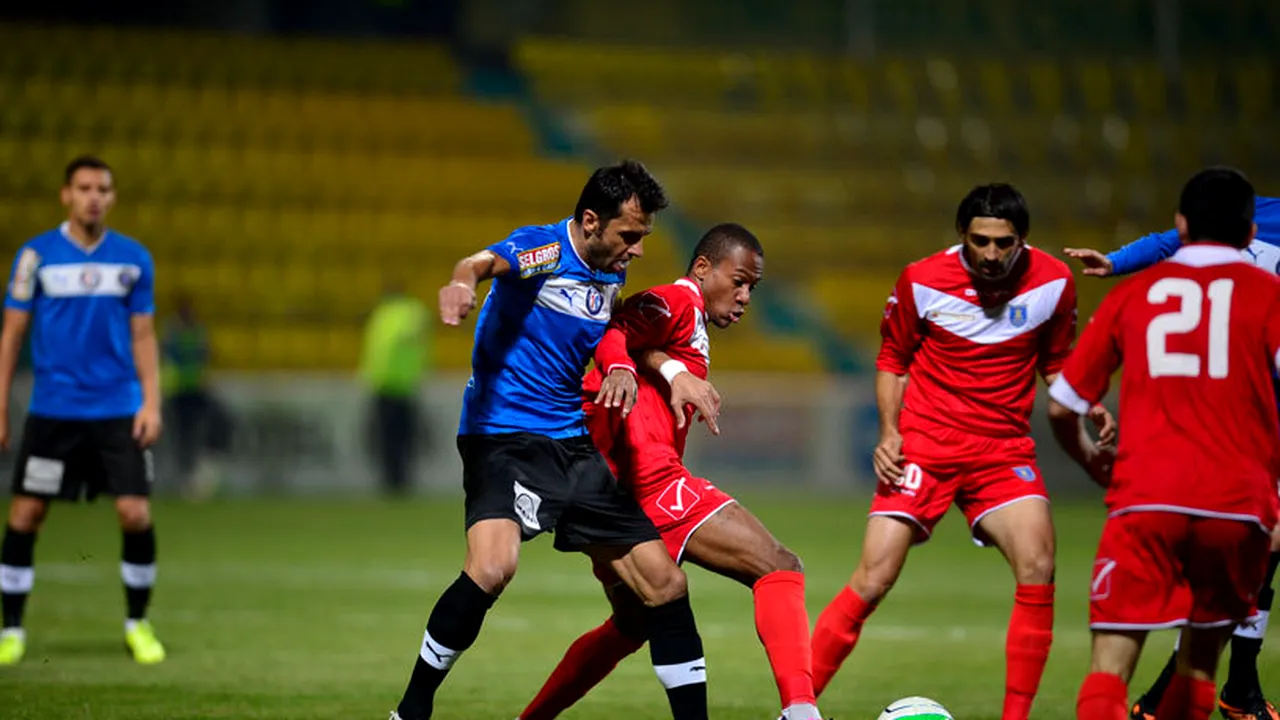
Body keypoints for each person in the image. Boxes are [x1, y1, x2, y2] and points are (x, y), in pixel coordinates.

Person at [392, 160, 710, 720]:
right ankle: (413, 708)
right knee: (493, 568)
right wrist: (461, 286)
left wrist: (621, 367)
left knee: (665, 584)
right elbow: (479, 262)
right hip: (503, 436)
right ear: (590, 220)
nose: (636, 249)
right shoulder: (542, 251)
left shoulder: (610, 269)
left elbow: (608, 327)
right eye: (629, 235)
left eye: (643, 238)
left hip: (571, 443)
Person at [808, 183, 1114, 720]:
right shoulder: (922, 279)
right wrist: (888, 432)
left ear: (1023, 240)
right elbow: (892, 358)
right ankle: (797, 707)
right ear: (961, 237)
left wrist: (1086, 401)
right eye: (980, 241)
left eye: (1005, 243)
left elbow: (1057, 361)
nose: (992, 255)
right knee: (874, 577)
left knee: (1038, 564)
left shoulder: (1056, 283)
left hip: (1002, 449)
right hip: (925, 443)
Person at [517, 223, 825, 720]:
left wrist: (663, 367)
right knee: (779, 566)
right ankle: (800, 711)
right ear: (703, 268)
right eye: (739, 280)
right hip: (647, 478)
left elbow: (630, 333)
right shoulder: (678, 300)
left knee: (634, 622)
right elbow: (616, 330)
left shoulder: (691, 318)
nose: (745, 296)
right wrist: (652, 370)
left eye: (754, 287)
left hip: (606, 487)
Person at [1049, 166, 1280, 720]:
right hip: (1237, 503)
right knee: (1198, 665)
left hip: (1146, 496)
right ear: (1251, 234)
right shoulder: (1269, 294)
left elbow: (1061, 405)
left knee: (1109, 667)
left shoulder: (1136, 295)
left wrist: (1089, 461)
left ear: (1181, 224)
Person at [0, 155, 165, 665]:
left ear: (113, 197)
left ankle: (138, 624)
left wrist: (151, 402)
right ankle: (10, 630)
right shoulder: (35, 258)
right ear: (65, 194)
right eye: (85, 187)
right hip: (55, 411)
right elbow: (12, 333)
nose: (94, 196)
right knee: (26, 514)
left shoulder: (134, 259)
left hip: (117, 408)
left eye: (103, 188)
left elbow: (142, 334)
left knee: (134, 512)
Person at [359, 285, 430, 496]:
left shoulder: (382, 315)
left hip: (386, 384)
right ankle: (397, 480)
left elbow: (376, 350)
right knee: (400, 437)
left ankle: (394, 481)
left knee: (390, 437)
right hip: (402, 384)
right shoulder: (413, 312)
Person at [161, 293, 231, 500]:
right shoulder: (172, 332)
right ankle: (185, 481)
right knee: (183, 436)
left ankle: (196, 477)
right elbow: (167, 355)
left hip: (198, 389)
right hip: (178, 391)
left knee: (216, 424)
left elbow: (208, 354)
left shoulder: (196, 331)